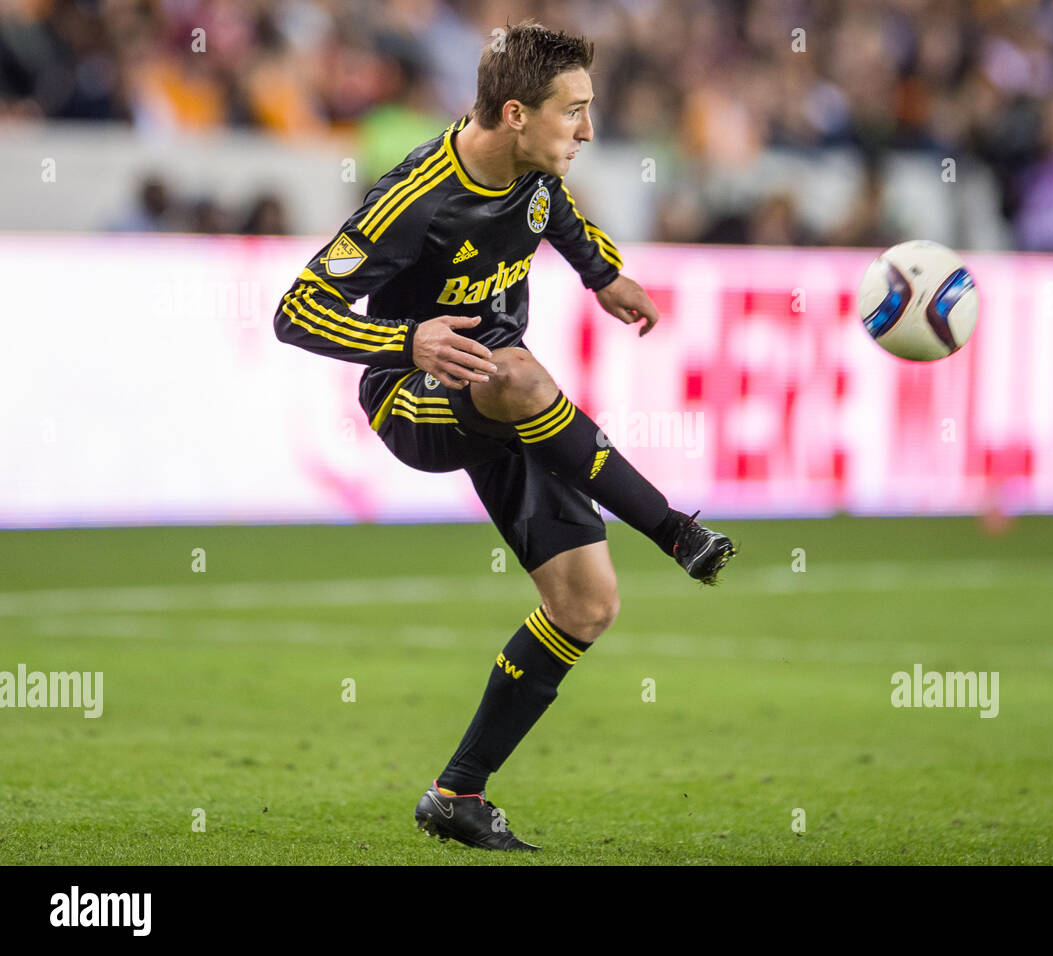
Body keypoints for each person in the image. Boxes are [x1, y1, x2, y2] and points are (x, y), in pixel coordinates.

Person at [272, 21, 735, 851]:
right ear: (516, 112)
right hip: (414, 396)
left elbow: (556, 217)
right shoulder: (415, 198)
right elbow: (296, 308)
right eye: (575, 113)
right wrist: (403, 342)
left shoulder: (533, 173)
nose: (588, 131)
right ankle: (673, 528)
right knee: (515, 370)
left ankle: (457, 795)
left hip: (506, 401)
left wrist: (607, 277)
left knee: (587, 604)